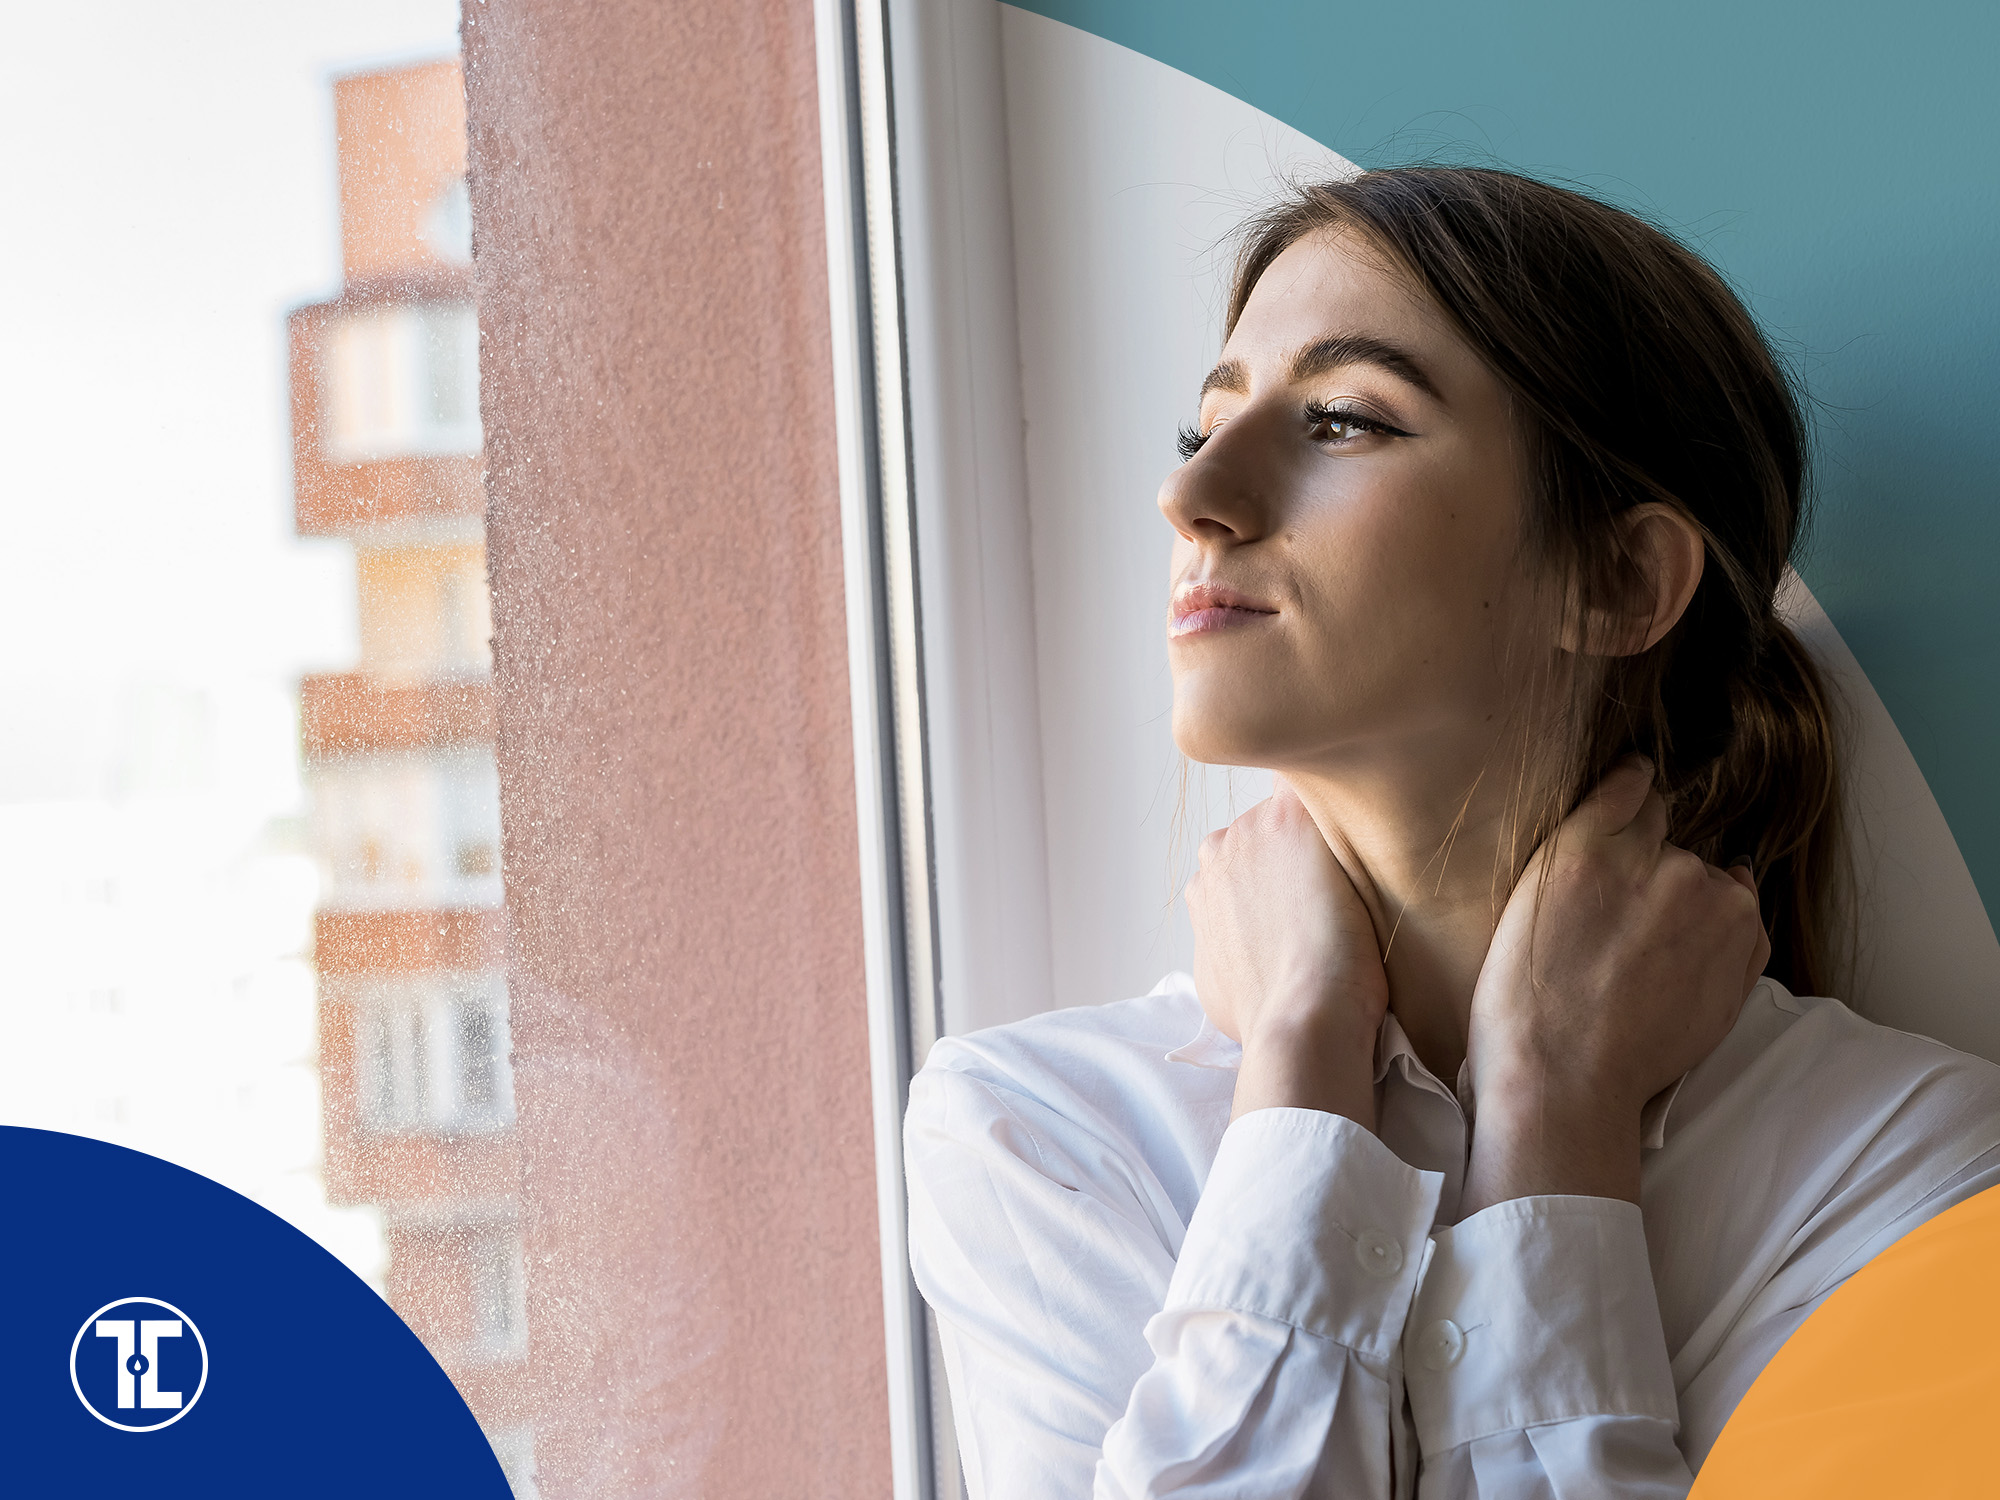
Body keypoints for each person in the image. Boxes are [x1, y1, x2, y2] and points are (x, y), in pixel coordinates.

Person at [903, 168, 2000, 1498]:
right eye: (1204, 421)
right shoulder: (1035, 1134)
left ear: (1618, 580)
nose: (1192, 496)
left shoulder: (1912, 1175)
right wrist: (1303, 1053)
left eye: (1344, 420)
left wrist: (1555, 1120)